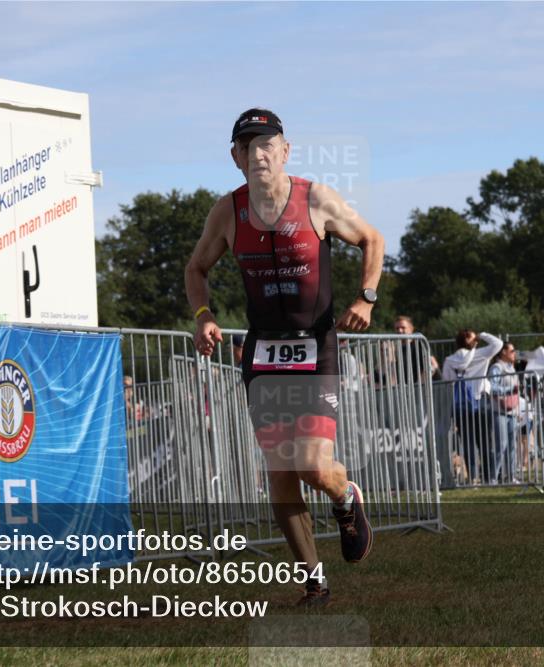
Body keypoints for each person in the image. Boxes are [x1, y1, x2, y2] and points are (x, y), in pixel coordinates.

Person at [185, 108, 385, 606]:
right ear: (236, 157)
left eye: (268, 144)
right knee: (279, 476)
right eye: (249, 146)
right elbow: (196, 268)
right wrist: (204, 315)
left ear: (285, 150)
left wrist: (366, 297)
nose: (259, 153)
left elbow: (372, 239)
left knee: (314, 467)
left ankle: (345, 496)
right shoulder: (228, 212)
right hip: (263, 353)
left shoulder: (314, 198)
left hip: (315, 348)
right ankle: (315, 581)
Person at [441, 329, 503, 483]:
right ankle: (489, 478)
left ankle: (473, 478)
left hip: (461, 404)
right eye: (472, 335)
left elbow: (447, 381)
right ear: (469, 339)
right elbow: (498, 344)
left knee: (467, 442)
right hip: (480, 399)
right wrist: (482, 334)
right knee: (485, 442)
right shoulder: (480, 353)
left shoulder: (449, 360)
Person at [488, 342, 520, 484]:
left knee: (512, 445)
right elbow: (492, 387)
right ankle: (493, 478)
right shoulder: (496, 368)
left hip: (512, 412)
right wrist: (508, 390)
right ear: (503, 352)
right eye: (512, 350)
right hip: (499, 412)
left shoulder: (511, 368)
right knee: (501, 445)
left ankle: (511, 476)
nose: (514, 353)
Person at [393, 315, 440, 382]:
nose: (400, 331)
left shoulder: (420, 343)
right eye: (397, 328)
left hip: (427, 388)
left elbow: (433, 365)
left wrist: (419, 385)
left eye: (403, 328)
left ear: (411, 328)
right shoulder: (396, 348)